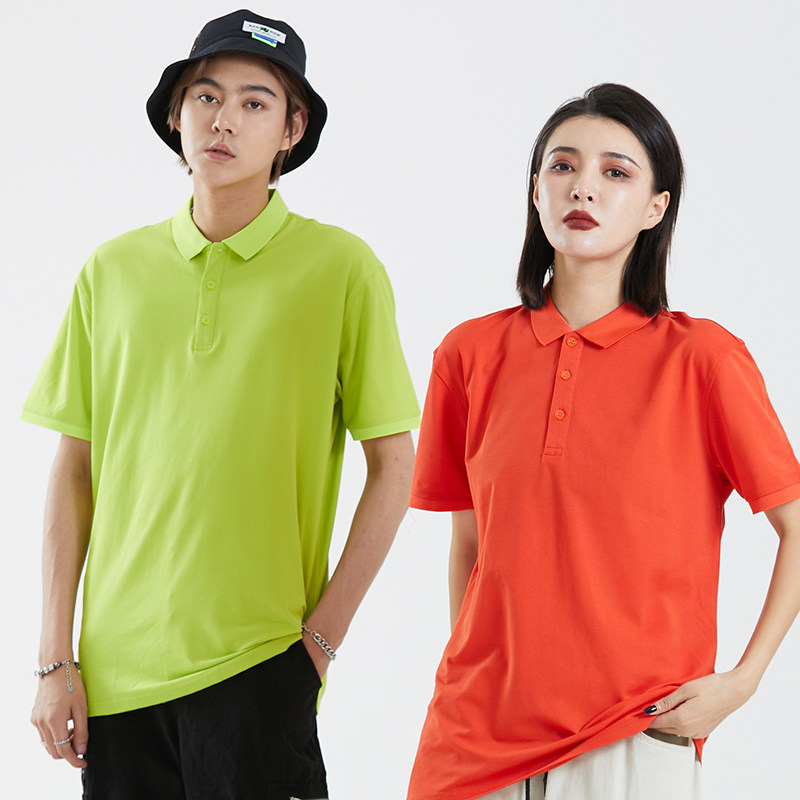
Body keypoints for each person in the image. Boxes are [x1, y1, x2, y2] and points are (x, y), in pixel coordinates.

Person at [24, 10, 419, 799]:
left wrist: (319, 644)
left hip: (259, 666)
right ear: (176, 116)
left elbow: (395, 466)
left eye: (254, 102)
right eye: (205, 96)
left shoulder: (341, 269)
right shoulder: (112, 271)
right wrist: (55, 658)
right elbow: (73, 469)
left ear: (291, 130)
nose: (224, 119)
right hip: (116, 681)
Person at [407, 83, 800, 800]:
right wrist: (479, 679)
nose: (583, 186)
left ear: (656, 207)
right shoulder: (467, 354)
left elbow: (795, 526)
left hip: (631, 735)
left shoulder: (704, 360)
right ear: (536, 190)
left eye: (616, 172)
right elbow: (470, 544)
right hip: (470, 742)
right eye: (562, 166)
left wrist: (741, 683)